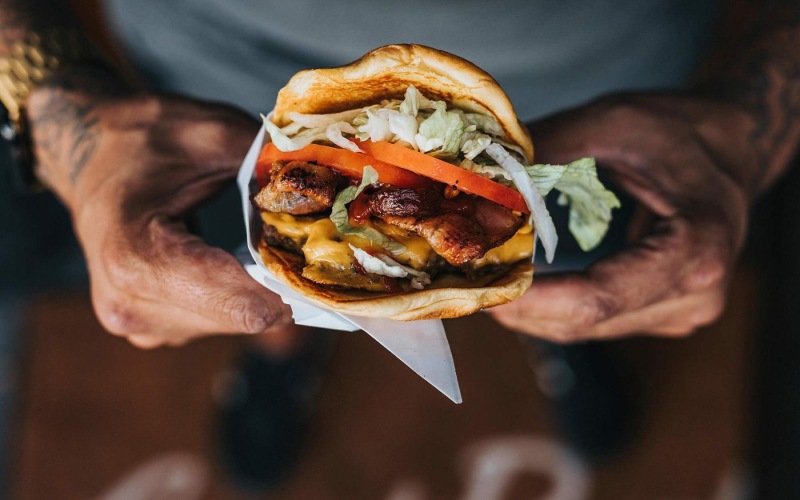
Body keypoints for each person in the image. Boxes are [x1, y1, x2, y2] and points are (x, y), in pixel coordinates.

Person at [1, 0, 798, 491]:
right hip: (209, 89)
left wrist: (746, 116)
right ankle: (279, 353)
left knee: (583, 264)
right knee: (253, 277)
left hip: (617, 87)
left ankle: (575, 338)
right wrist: (58, 103)